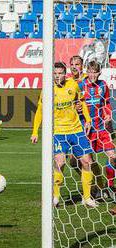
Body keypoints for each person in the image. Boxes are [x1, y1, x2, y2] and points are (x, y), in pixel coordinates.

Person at [31, 62, 97, 207]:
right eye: (55, 73)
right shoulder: (47, 89)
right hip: (58, 132)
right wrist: (35, 131)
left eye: (60, 73)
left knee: (87, 161)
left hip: (76, 130)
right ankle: (55, 196)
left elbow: (82, 101)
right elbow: (40, 111)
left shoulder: (73, 85)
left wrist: (88, 119)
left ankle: (87, 198)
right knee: (60, 163)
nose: (57, 76)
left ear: (64, 74)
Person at [68, 55, 105, 197]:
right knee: (73, 161)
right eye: (71, 64)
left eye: (77, 64)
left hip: (89, 124)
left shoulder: (87, 80)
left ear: (82, 66)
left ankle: (98, 187)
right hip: (73, 124)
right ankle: (94, 185)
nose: (74, 66)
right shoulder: (69, 81)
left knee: (88, 158)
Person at [78, 61, 116, 192]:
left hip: (101, 129)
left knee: (113, 157)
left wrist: (108, 115)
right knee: (88, 162)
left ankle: (110, 186)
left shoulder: (103, 85)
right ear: (86, 72)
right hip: (86, 130)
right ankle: (90, 191)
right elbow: (75, 105)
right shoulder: (81, 85)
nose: (93, 75)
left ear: (99, 72)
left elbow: (106, 103)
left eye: (95, 72)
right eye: (90, 71)